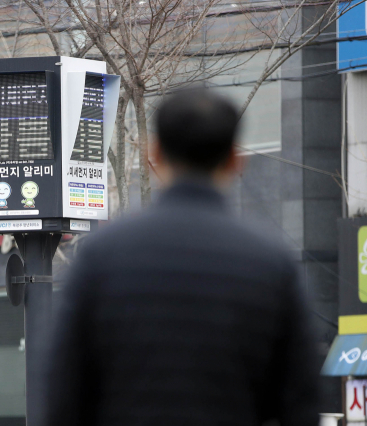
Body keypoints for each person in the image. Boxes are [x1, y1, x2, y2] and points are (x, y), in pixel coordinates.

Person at [41, 90, 319, 426]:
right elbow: (301, 405)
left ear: (154, 152)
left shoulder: (100, 257)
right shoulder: (272, 265)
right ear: (235, 159)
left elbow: (62, 399)